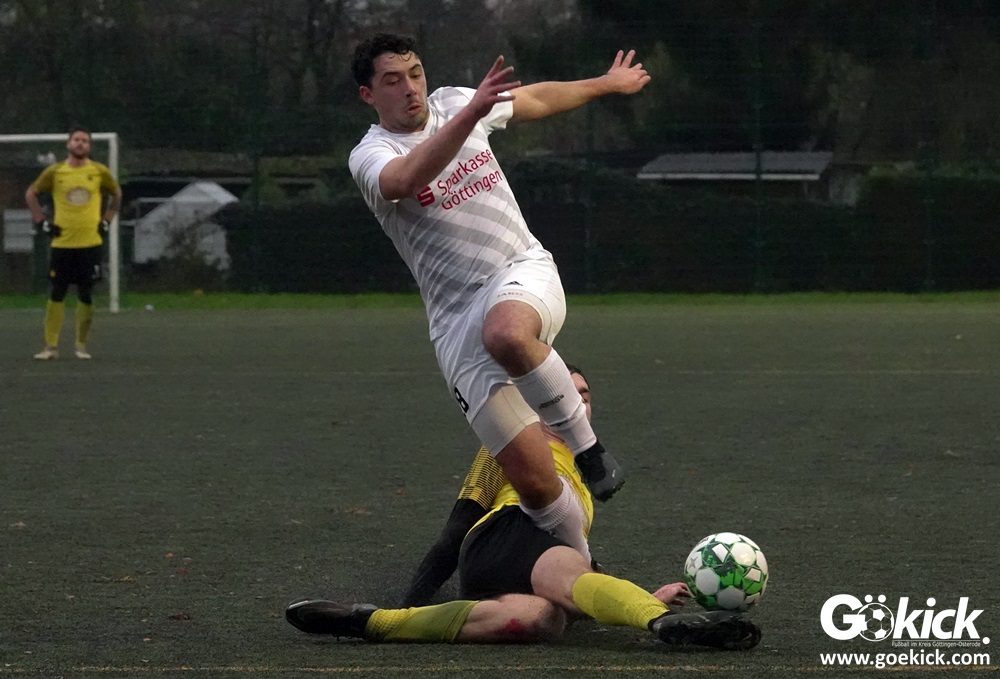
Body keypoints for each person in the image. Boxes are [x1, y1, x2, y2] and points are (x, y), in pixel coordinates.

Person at [348, 33, 647, 555]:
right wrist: (472, 114)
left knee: (506, 333)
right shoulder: (370, 154)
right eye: (392, 81)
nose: (411, 88)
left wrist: (605, 83)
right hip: (454, 324)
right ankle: (582, 570)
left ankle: (589, 451)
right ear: (368, 95)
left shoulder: (457, 102)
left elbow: (537, 98)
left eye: (415, 74)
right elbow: (403, 180)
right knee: (536, 483)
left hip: (520, 270)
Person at [285, 366, 762, 650]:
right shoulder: (507, 445)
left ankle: (366, 622)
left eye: (585, 395)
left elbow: (581, 571)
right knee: (564, 572)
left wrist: (639, 596)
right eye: (566, 393)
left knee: (539, 620)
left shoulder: (583, 467)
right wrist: (414, 596)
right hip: (501, 537)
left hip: (535, 565)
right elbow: (454, 533)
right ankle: (665, 626)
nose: (577, 402)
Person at [25, 126, 122, 360]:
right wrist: (41, 221)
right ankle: (51, 347)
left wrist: (107, 219)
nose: (80, 144)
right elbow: (31, 193)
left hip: (90, 243)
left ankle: (81, 345)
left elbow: (116, 193)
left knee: (86, 293)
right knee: (57, 292)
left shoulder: (98, 171)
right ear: (68, 144)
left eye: (85, 141)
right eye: (77, 140)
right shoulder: (56, 171)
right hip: (62, 244)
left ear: (89, 146)